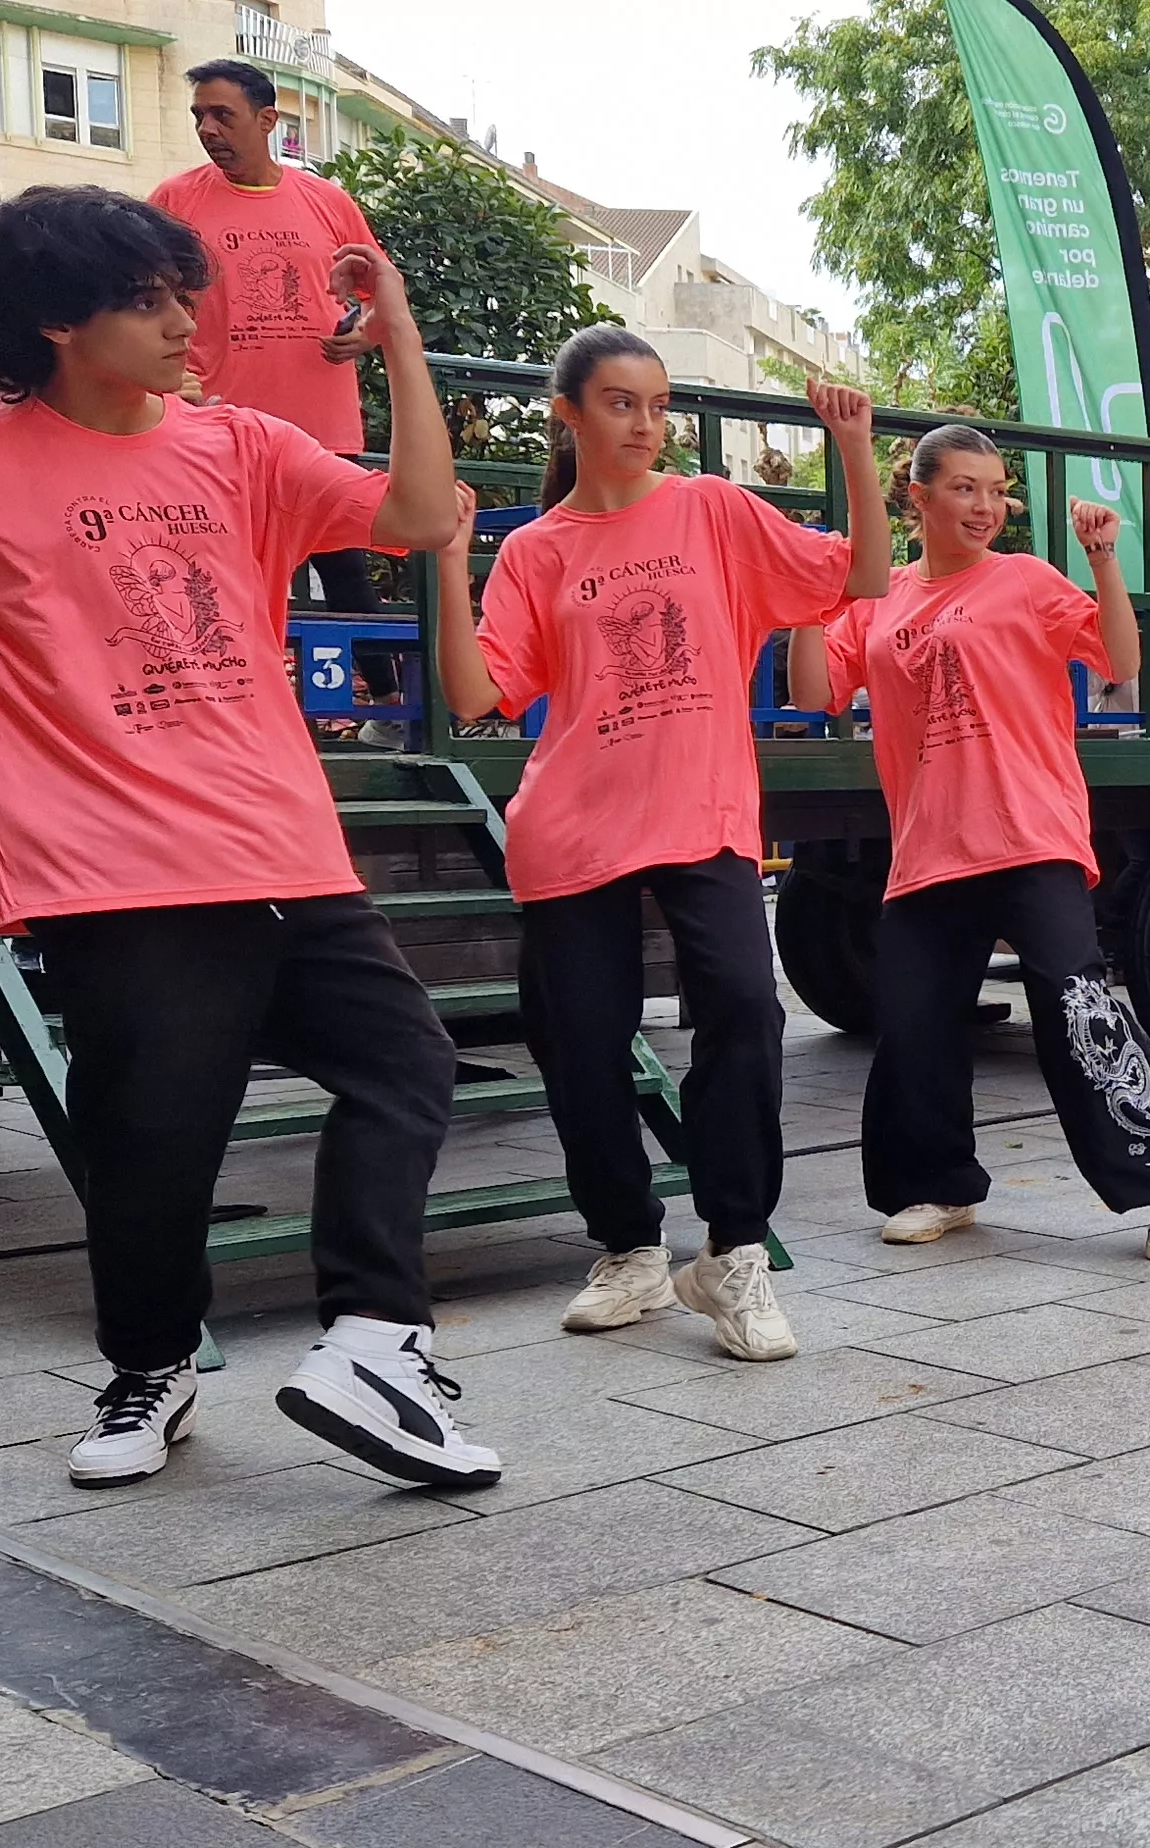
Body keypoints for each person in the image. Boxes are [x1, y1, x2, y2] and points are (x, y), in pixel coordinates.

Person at [0, 187, 496, 1488]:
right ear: (59, 322)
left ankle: (375, 1339)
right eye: (150, 301)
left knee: (408, 1066)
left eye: (183, 293)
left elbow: (416, 518)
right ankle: (152, 1369)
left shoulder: (238, 446)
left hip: (282, 845)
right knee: (154, 1146)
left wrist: (402, 335)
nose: (187, 321)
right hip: (111, 870)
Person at [430, 328, 886, 1364]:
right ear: (572, 414)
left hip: (701, 810)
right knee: (580, 1046)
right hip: (573, 822)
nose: (644, 424)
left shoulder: (712, 512)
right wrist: (455, 561)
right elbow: (476, 694)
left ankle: (732, 1252)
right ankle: (630, 1247)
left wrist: (850, 448)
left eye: (656, 404)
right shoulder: (538, 549)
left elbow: (859, 578)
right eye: (621, 404)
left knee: (742, 1006)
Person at [793, 427, 1150, 1258]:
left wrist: (1102, 561)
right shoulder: (876, 598)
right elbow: (815, 691)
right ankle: (937, 1185)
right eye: (964, 489)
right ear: (918, 498)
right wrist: (811, 599)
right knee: (913, 1024)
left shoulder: (1024, 579)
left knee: (1076, 1013)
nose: (986, 507)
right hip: (928, 846)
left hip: (1031, 831)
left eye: (996, 491)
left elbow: (1121, 662)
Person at [149, 60, 390, 615]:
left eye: (223, 116)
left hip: (321, 424)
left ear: (267, 120)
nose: (208, 129)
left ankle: (388, 693)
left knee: (348, 572)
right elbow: (130, 299)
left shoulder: (327, 200)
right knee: (226, 576)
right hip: (216, 424)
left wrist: (363, 333)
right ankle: (247, 697)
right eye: (199, 117)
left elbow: (381, 296)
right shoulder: (173, 202)